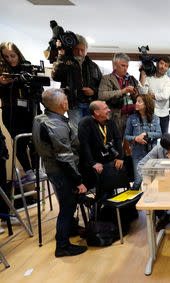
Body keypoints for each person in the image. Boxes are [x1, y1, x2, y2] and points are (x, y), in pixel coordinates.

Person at [32, 88, 87, 257]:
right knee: (67, 207)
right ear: (63, 104)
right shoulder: (56, 125)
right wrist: (78, 181)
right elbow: (65, 158)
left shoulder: (40, 118)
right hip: (61, 172)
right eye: (65, 99)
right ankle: (62, 246)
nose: (67, 101)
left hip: (52, 169)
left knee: (67, 205)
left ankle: (70, 230)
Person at [0, 42, 43, 181]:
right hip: (10, 112)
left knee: (35, 141)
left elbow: (39, 90)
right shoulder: (2, 72)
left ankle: (37, 169)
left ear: (18, 54)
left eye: (13, 56)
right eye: (6, 56)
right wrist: (3, 84)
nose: (10, 59)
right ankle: (29, 171)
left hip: (30, 110)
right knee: (20, 142)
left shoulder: (28, 67)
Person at [136, 133, 170, 231]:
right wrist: (148, 179)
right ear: (164, 147)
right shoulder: (158, 149)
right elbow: (141, 164)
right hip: (160, 183)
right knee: (149, 194)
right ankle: (163, 217)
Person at [51, 34, 103, 128]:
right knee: (76, 131)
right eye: (76, 49)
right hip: (73, 104)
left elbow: (101, 85)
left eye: (82, 50)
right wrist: (61, 56)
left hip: (90, 104)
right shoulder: (66, 63)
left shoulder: (93, 66)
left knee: (90, 130)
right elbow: (55, 76)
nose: (79, 52)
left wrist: (93, 91)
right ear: (72, 49)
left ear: (86, 50)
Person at [78, 101, 124, 199]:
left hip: (109, 162)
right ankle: (97, 211)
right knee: (102, 192)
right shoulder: (85, 123)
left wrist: (120, 157)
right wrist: (93, 163)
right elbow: (84, 145)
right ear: (96, 112)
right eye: (105, 108)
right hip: (93, 164)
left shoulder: (110, 122)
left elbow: (118, 139)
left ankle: (109, 209)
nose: (109, 110)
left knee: (110, 187)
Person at [98, 53, 143, 135]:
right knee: (115, 141)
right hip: (114, 116)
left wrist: (134, 94)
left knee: (130, 143)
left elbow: (138, 97)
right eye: (123, 66)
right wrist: (122, 91)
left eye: (127, 66)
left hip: (131, 116)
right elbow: (102, 95)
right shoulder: (107, 78)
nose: (125, 69)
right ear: (115, 64)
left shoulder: (131, 79)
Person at [124, 94, 161, 190]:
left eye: (139, 101)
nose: (136, 104)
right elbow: (126, 136)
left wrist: (146, 134)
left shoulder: (155, 118)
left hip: (152, 152)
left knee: (152, 180)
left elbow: (159, 133)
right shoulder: (131, 118)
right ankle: (133, 202)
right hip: (137, 153)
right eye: (136, 101)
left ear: (146, 104)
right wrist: (136, 138)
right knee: (138, 180)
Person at [140, 56, 170, 134]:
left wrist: (150, 96)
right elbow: (143, 92)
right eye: (161, 63)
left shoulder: (168, 80)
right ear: (157, 64)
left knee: (164, 139)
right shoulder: (149, 78)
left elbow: (165, 96)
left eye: (166, 66)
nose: (163, 67)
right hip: (150, 113)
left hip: (163, 114)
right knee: (148, 137)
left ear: (167, 68)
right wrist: (142, 74)